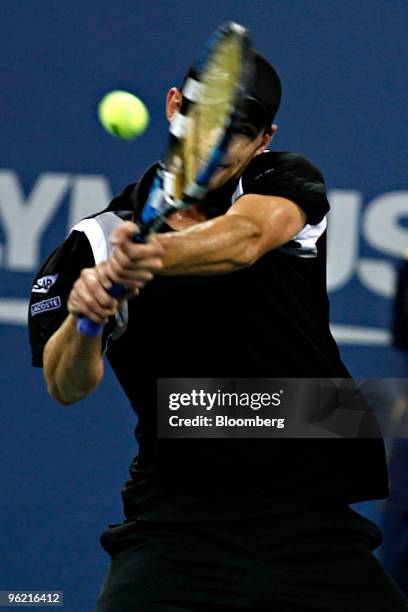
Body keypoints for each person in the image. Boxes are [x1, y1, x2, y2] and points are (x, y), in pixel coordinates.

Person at [28, 50, 407, 611]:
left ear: (263, 140)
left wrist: (145, 258)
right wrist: (87, 319)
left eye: (242, 131)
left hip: (314, 526)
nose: (218, 143)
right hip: (177, 529)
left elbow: (245, 240)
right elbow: (66, 385)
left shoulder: (284, 180)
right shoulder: (96, 241)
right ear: (175, 107)